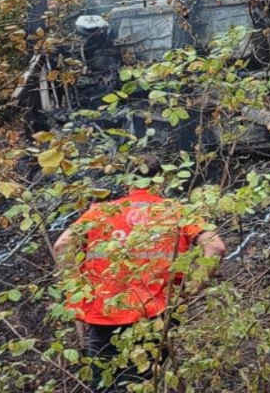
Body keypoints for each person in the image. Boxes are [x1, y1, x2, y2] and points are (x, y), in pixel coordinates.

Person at [53, 160, 225, 390]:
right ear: (161, 181)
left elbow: (62, 245)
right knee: (146, 383)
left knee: (105, 384)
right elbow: (215, 247)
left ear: (127, 182)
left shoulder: (101, 212)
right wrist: (191, 288)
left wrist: (75, 293)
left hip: (103, 313)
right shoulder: (176, 211)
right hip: (156, 313)